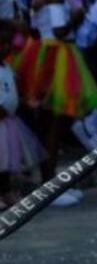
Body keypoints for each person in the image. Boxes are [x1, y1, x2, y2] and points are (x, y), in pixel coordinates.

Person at [14, 0, 97, 204]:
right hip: (55, 56)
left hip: (43, 54)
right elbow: (60, 30)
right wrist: (76, 17)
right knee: (53, 124)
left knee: (50, 124)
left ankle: (49, 180)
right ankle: (49, 184)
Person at [0, 19, 42, 207]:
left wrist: (26, 102)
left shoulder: (7, 67)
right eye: (1, 43)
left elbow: (12, 89)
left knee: (6, 165)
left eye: (8, 43)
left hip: (8, 123)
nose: (6, 47)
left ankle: (6, 192)